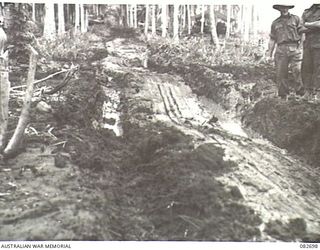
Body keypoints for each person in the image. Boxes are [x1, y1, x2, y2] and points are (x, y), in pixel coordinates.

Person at [266, 4, 305, 99]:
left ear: (288, 8)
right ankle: (283, 96)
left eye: (285, 7)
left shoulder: (296, 19)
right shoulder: (275, 23)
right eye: (282, 8)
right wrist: (269, 54)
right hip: (281, 49)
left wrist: (300, 48)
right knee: (281, 73)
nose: (284, 9)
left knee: (297, 71)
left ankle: (300, 94)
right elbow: (272, 40)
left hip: (294, 47)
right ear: (279, 9)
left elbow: (302, 34)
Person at [300, 4, 320, 101]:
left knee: (318, 69)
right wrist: (315, 25)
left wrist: (307, 24)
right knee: (306, 68)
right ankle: (307, 91)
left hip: (319, 45)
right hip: (308, 45)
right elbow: (300, 28)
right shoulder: (307, 12)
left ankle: (317, 93)